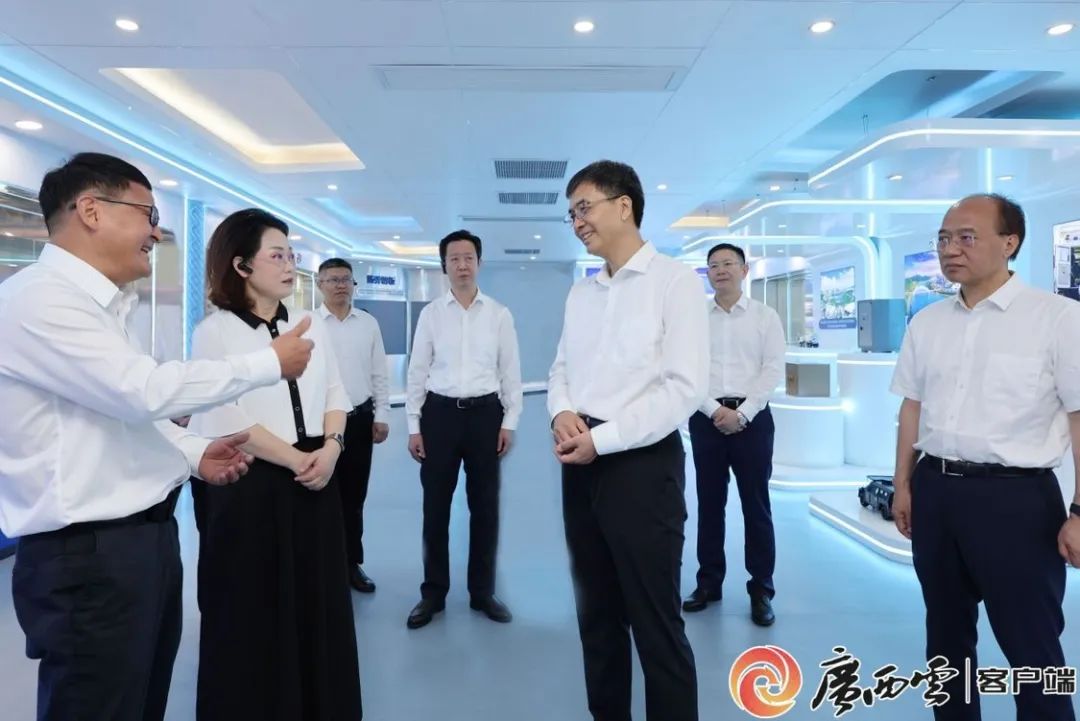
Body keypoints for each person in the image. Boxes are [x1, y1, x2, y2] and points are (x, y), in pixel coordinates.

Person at [0, 153, 313, 721]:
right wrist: (268, 362)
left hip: (138, 545)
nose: (156, 233)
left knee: (139, 704)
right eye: (147, 214)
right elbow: (141, 391)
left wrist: (194, 454)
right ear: (91, 210)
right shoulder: (39, 299)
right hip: (89, 557)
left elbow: (121, 415)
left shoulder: (101, 307)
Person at [891, 193, 1080, 721]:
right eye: (944, 238)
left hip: (1016, 500)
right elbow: (912, 408)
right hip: (935, 492)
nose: (950, 249)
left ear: (1009, 242)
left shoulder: (1057, 319)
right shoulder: (927, 322)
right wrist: (903, 484)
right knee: (946, 641)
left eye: (966, 237)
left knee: (1032, 646)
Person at [548, 160, 708, 721]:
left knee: (656, 625)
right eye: (571, 214)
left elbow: (683, 389)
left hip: (642, 466)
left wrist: (603, 439)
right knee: (596, 616)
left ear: (624, 206)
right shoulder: (581, 293)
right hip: (580, 463)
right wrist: (560, 411)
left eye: (584, 208)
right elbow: (561, 369)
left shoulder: (675, 283)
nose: (577, 222)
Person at [189, 209, 362, 720]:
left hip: (317, 476)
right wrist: (296, 460)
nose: (290, 265)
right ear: (241, 265)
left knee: (317, 601)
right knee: (253, 607)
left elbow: (336, 393)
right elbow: (225, 415)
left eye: (292, 254)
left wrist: (331, 449)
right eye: (277, 255)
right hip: (250, 481)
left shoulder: (310, 324)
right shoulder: (214, 331)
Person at [405, 229, 523, 629]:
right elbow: (417, 371)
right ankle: (433, 593)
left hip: (485, 416)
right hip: (438, 416)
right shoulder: (431, 315)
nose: (462, 265)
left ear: (479, 263)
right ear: (444, 266)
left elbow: (510, 373)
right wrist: (414, 426)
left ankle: (482, 592)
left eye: (468, 257)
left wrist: (509, 422)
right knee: (434, 508)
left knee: (485, 508)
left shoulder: (499, 315)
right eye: (454, 258)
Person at [682, 243, 785, 626]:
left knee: (756, 506)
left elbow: (772, 370)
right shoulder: (695, 319)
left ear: (744, 270)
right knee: (709, 505)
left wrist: (742, 414)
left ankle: (761, 590)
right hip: (706, 419)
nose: (720, 270)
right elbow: (687, 371)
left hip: (752, 421)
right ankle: (708, 583)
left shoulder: (765, 316)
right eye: (713, 265)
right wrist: (714, 410)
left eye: (728, 263)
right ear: (707, 274)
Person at [317, 258, 391, 593]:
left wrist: (382, 415)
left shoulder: (368, 324)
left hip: (360, 420)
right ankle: (323, 565)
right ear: (320, 284)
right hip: (320, 424)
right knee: (320, 494)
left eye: (346, 279)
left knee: (354, 495)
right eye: (333, 280)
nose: (340, 285)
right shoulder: (308, 324)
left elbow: (379, 374)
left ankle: (350, 563)